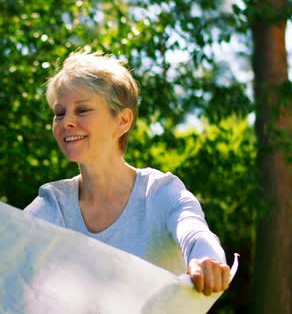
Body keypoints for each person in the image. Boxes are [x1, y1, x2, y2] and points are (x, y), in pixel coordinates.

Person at [24, 51, 231, 296]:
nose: (66, 121)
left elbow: (196, 234)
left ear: (122, 121)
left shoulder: (160, 192)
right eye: (59, 113)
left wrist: (206, 261)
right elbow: (6, 247)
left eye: (82, 110)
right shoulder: (54, 202)